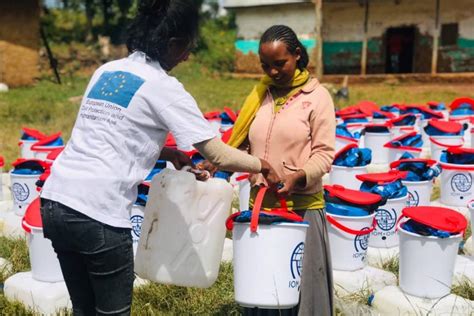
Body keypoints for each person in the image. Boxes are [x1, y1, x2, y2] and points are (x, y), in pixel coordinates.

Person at [39, 1, 279, 315]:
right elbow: (216, 153)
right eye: (188, 47)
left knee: (84, 308)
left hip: (55, 203)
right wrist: (261, 164)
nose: (188, 55)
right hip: (98, 213)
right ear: (172, 44)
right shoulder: (164, 87)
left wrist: (167, 152)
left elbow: (109, 134)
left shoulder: (107, 70)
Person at [226, 25, 336, 316]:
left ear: (297, 55)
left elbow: (324, 154)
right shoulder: (260, 96)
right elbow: (244, 145)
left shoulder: (317, 97)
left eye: (279, 64)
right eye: (265, 66)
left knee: (300, 288)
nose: (272, 72)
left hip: (301, 209)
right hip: (260, 208)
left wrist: (298, 176)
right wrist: (216, 163)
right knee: (263, 287)